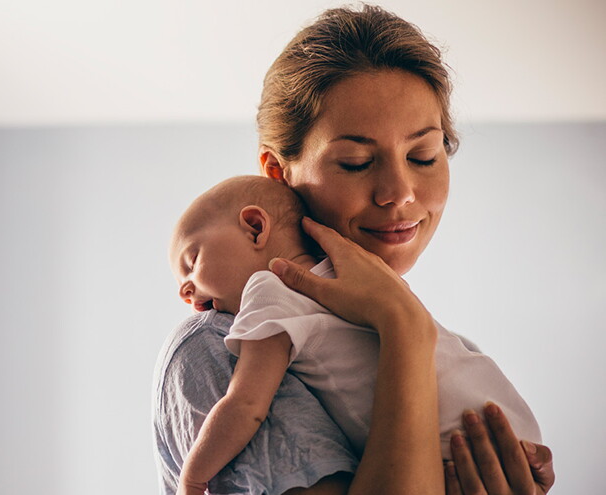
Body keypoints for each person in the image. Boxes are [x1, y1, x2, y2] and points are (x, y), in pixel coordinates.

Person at [152, 5, 556, 494]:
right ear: (279, 173)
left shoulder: (451, 353)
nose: (399, 192)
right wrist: (402, 328)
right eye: (356, 162)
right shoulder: (217, 347)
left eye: (423, 155)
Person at [168, 175, 542, 495]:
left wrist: (193, 477)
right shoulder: (365, 284)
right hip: (508, 431)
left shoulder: (270, 290)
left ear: (255, 227)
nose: (185, 291)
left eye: (192, 261)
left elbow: (246, 405)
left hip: (454, 447)